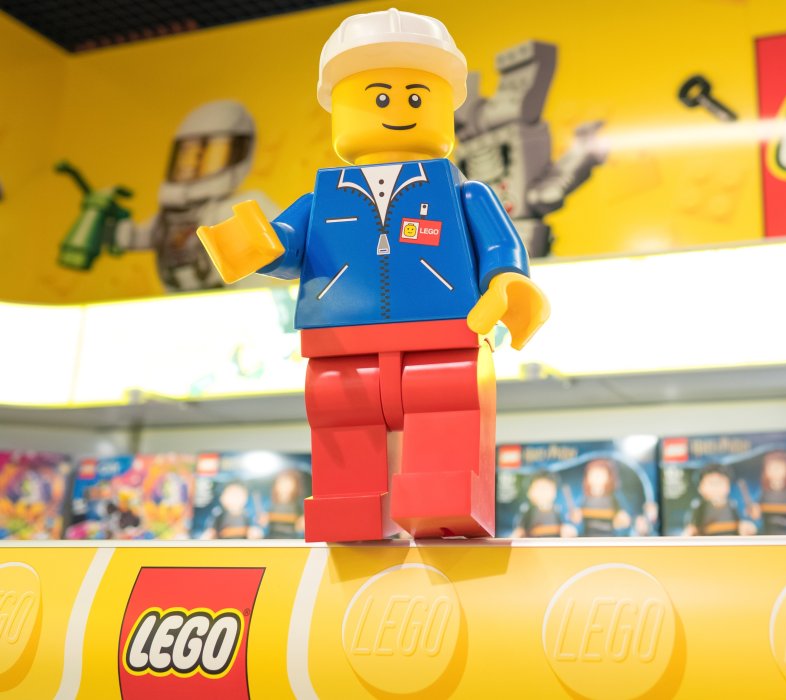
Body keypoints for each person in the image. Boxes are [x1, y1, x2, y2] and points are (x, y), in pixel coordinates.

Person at [195, 9, 550, 541]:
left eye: (416, 97)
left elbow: (500, 244)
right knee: (341, 422)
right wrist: (255, 246)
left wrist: (508, 279)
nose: (399, 108)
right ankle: (350, 509)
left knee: (448, 410)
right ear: (340, 106)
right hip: (340, 342)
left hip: (443, 335)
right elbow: (287, 245)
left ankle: (443, 503)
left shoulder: (462, 191)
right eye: (379, 98)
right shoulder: (323, 198)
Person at [684, 464, 756, 536]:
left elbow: (745, 522)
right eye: (711, 483)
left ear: (728, 486)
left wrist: (746, 528)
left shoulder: (734, 505)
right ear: (701, 488)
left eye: (720, 482)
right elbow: (691, 529)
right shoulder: (699, 507)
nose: (716, 487)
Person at [571, 459, 631, 537]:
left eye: (601, 473)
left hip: (608, 537)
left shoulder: (613, 499)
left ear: (608, 477)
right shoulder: (583, 499)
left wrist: (622, 520)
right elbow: (575, 520)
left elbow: (624, 520)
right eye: (593, 473)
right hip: (588, 537)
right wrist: (575, 519)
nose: (597, 476)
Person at [512, 473, 575, 538]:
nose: (543, 493)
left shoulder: (558, 511)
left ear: (554, 492)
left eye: (547, 488)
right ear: (530, 493)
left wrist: (568, 531)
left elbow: (568, 528)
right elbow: (518, 532)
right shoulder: (527, 512)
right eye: (539, 488)